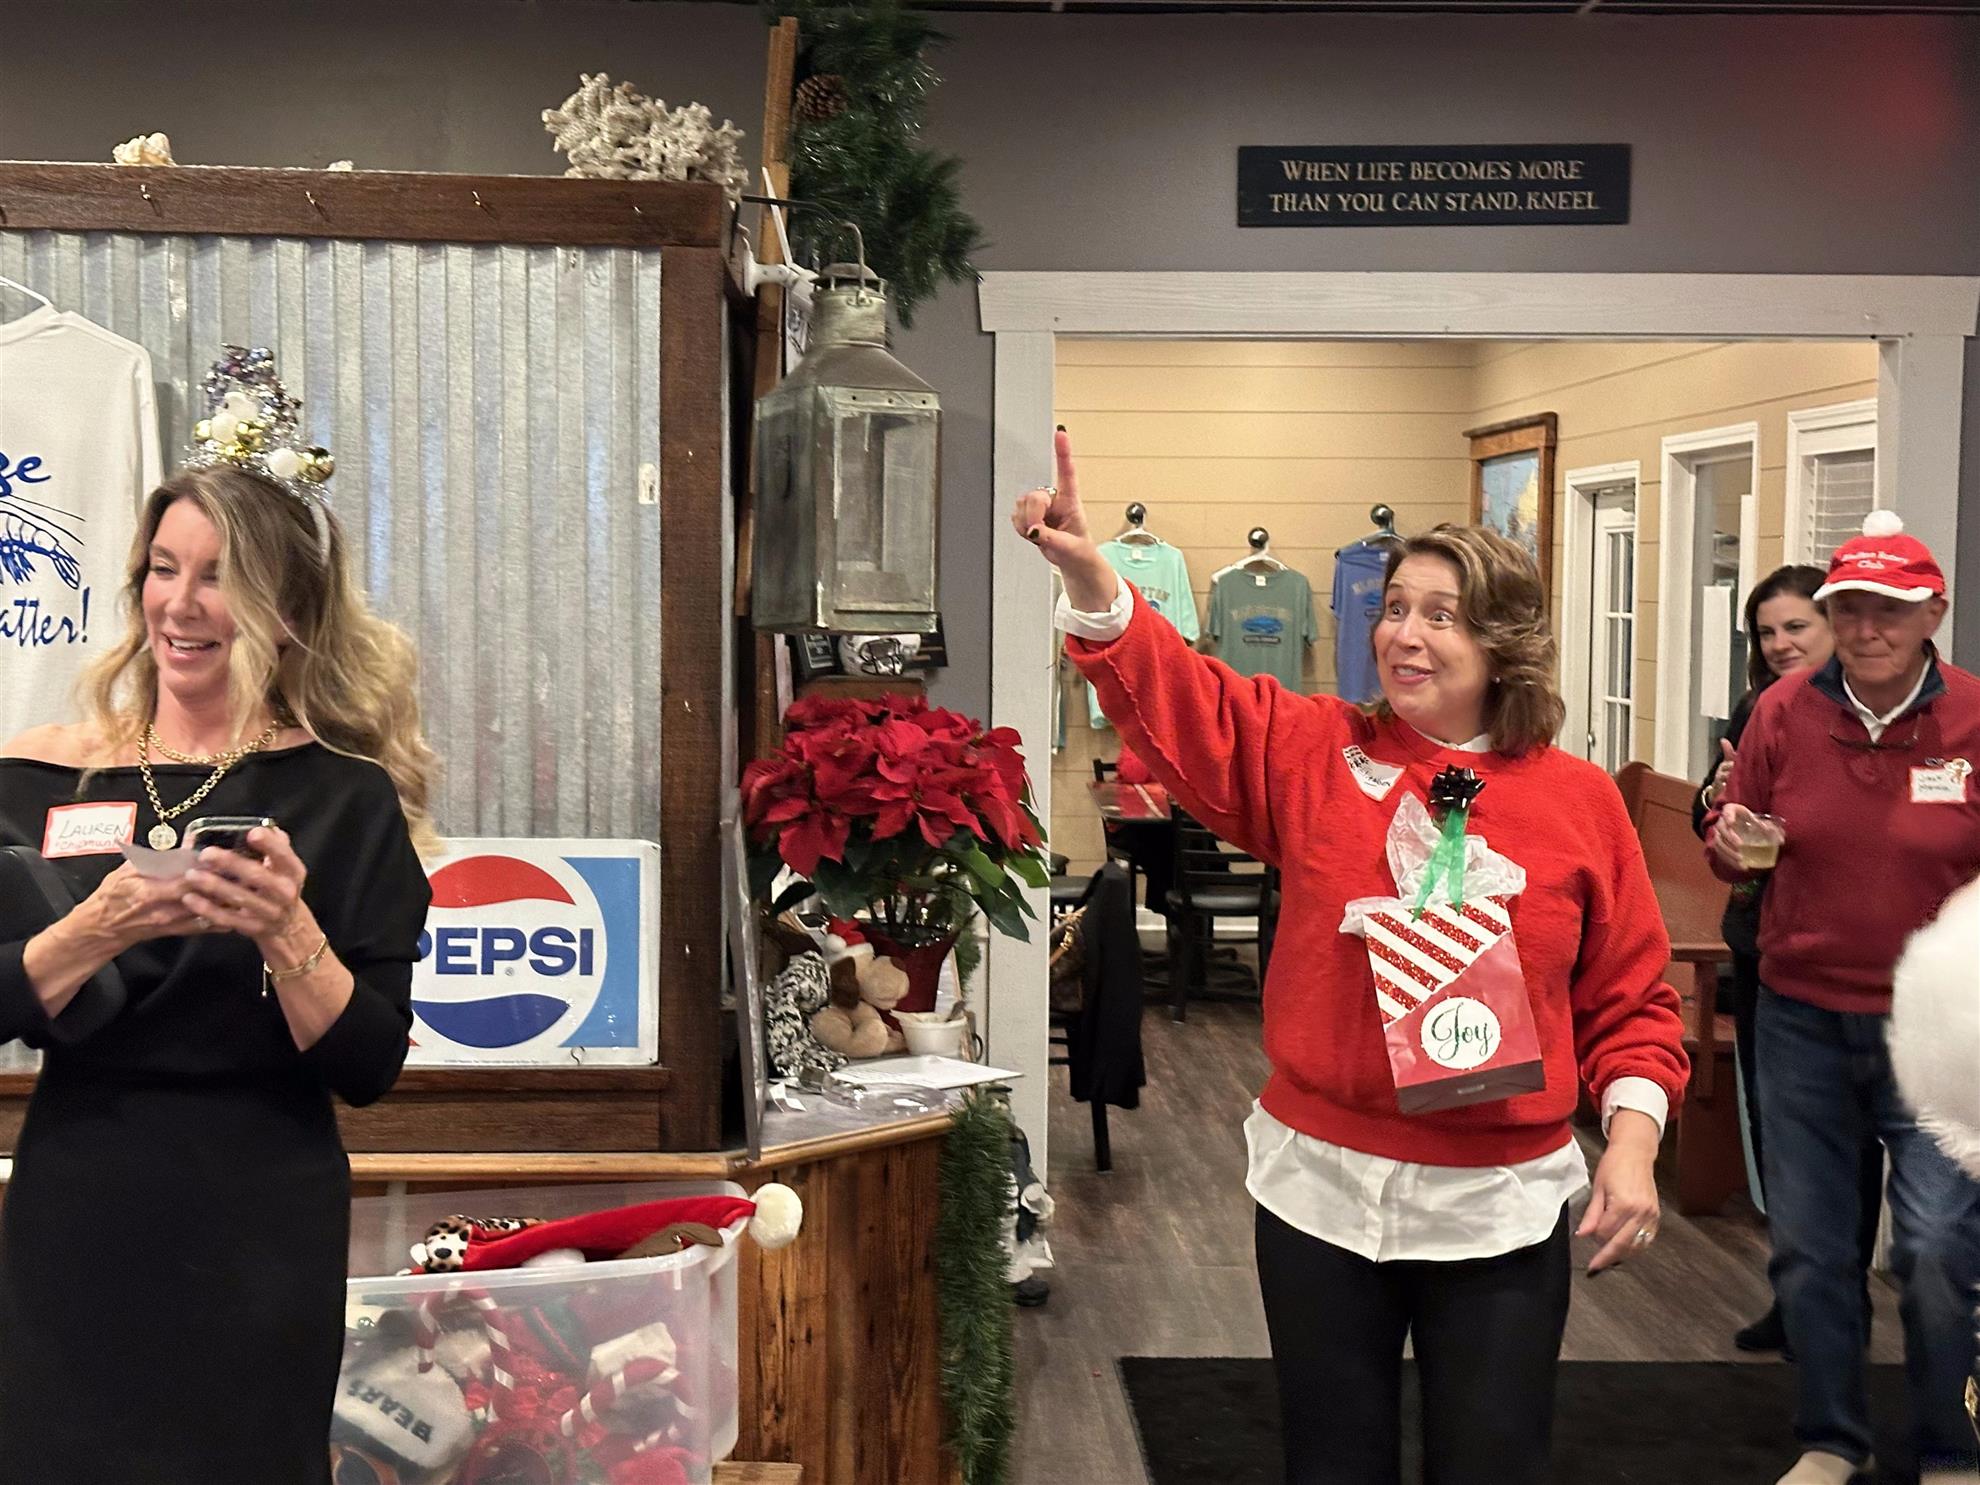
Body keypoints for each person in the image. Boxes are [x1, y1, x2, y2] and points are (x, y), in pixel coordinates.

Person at [1015, 431, 1688, 1485]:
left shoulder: (1581, 803)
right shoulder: (1318, 753)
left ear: (1505, 643)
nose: (1403, 635)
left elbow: (1631, 998)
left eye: (1440, 615)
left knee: (1491, 1461)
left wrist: (1635, 1146)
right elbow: (1191, 700)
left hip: (1497, 1203)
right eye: (1394, 608)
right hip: (1320, 1194)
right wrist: (1094, 580)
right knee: (1331, 1462)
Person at [0, 354, 436, 1484]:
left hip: (260, 1226)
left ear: (286, 613)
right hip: (77, 1210)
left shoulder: (343, 798)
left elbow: (369, 1064)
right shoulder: (39, 777)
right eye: (163, 569)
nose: (180, 605)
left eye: (217, 578)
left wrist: (290, 933)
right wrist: (94, 930)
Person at [1708, 512, 1980, 1485]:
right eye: (1851, 608)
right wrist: (1730, 843)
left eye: (1890, 610)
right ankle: (1831, 1440)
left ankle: (1952, 1446)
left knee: (1939, 1249)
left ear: (1932, 614)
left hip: (1939, 1028)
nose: (1868, 628)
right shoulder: (1783, 710)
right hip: (1801, 1018)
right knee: (1811, 1251)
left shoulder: (1974, 717)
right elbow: (1735, 834)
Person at [1690, 565, 1883, 1356]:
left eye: (1795, 627)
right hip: (1763, 944)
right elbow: (1714, 812)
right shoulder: (1758, 708)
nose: (1778, 644)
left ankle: (1844, 1301)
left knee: (1853, 1137)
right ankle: (1798, 1291)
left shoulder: (1867, 719)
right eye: (1766, 631)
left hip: (1856, 959)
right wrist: (1719, 797)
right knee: (1779, 1128)